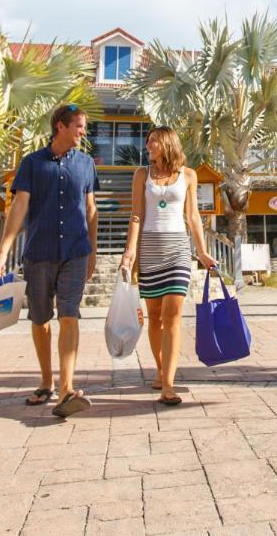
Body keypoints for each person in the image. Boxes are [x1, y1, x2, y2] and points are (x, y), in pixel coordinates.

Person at [0, 103, 99, 417]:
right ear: (61, 127)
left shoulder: (86, 164)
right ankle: (46, 381)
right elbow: (19, 208)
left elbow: (91, 210)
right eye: (79, 126)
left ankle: (67, 389)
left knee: (69, 314)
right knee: (40, 318)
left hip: (76, 252)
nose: (83, 132)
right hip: (39, 252)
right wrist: (3, 249)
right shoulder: (32, 164)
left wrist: (92, 249)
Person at [120, 127, 215, 406]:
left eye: (153, 140)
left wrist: (202, 251)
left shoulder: (188, 175)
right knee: (155, 316)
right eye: (148, 141)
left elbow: (193, 217)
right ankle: (160, 371)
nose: (148, 144)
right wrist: (129, 253)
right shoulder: (141, 175)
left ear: (167, 142)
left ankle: (169, 385)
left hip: (177, 250)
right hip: (149, 248)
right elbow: (136, 215)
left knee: (173, 315)